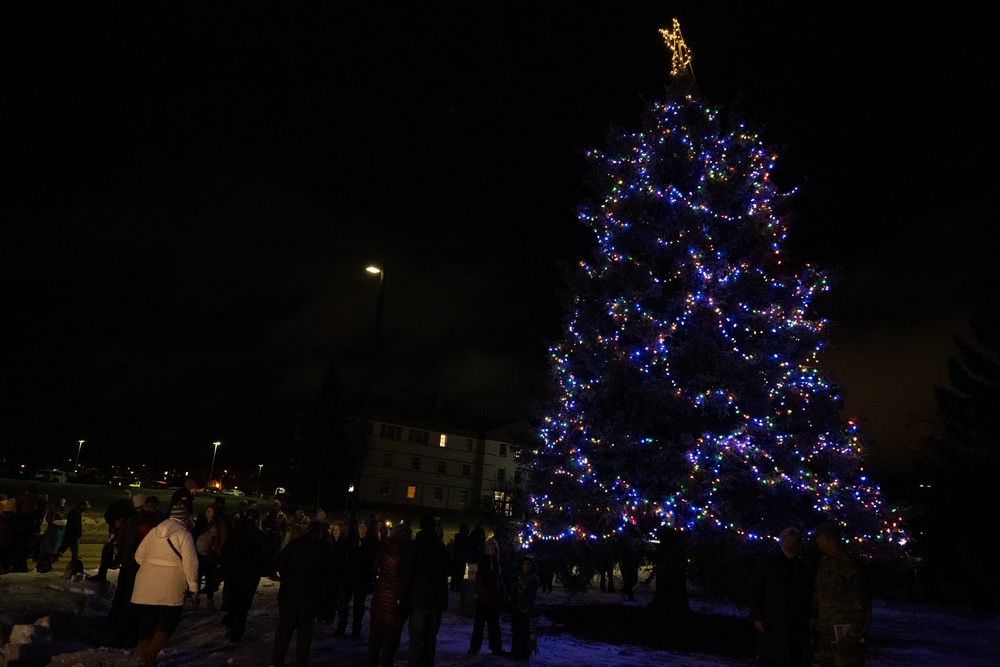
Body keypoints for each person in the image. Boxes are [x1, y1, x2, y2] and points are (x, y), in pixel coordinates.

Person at [131, 501, 199, 667]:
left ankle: (144, 659)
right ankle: (150, 657)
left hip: (145, 583)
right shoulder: (184, 535)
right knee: (170, 620)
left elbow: (138, 557)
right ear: (185, 518)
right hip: (171, 585)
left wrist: (152, 565)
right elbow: (191, 564)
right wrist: (194, 587)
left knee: (146, 621)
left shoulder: (154, 531)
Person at [749, 527, 814, 667]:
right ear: (781, 543)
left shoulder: (804, 569)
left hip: (795, 623)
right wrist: (757, 617)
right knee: (770, 659)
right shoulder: (766, 563)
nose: (791, 545)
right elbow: (755, 590)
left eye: (795, 542)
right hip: (771, 621)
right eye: (788, 542)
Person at [269, 520, 330, 667]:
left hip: (288, 594)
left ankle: (276, 662)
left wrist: (285, 578)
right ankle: (301, 662)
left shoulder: (294, 544)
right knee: (304, 633)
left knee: (284, 629)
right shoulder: (323, 549)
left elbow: (280, 562)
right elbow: (327, 575)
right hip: (309, 597)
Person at [812, 522, 872, 667]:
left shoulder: (851, 566)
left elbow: (862, 604)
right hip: (827, 630)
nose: (816, 541)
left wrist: (853, 635)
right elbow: (818, 593)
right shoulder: (824, 563)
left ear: (828, 539)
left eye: (818, 537)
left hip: (846, 633)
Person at [109, 495, 164, 648]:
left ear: (144, 506)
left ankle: (121, 632)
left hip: (129, 566)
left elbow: (121, 541)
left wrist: (123, 556)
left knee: (126, 600)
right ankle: (140, 635)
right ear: (157, 507)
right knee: (145, 604)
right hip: (148, 569)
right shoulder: (160, 524)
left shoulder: (132, 520)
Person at [400, 514, 451, 667]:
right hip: (436, 601)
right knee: (430, 639)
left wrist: (403, 596)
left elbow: (407, 573)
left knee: (416, 638)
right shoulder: (441, 547)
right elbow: (450, 569)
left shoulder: (415, 546)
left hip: (418, 600)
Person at [219, 508, 268, 642]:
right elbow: (265, 556)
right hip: (250, 575)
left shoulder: (236, 533)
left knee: (234, 599)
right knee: (243, 603)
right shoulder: (259, 535)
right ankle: (237, 631)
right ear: (257, 520)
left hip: (234, 573)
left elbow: (225, 552)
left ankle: (231, 623)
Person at [367, 522, 412, 667]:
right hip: (395, 602)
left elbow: (374, 570)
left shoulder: (385, 548)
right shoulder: (407, 551)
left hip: (380, 599)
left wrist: (379, 580)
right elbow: (407, 577)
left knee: (374, 639)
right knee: (390, 643)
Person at [340, 519, 378, 638]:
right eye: (360, 526)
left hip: (362, 578)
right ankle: (341, 626)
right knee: (344, 604)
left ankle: (356, 628)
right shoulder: (352, 540)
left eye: (364, 527)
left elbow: (372, 559)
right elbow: (344, 554)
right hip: (349, 577)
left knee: (358, 606)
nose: (362, 529)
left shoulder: (372, 542)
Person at [468, 536, 506, 656]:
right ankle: (476, 647)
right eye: (489, 548)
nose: (491, 551)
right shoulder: (486, 561)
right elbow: (485, 578)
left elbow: (497, 579)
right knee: (481, 624)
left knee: (492, 624)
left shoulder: (496, 561)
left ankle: (494, 647)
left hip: (492, 598)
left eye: (493, 549)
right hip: (485, 597)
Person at [194, 504, 228, 609]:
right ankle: (195, 600)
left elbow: (223, 538)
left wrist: (218, 551)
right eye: (207, 511)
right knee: (197, 577)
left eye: (211, 511)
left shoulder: (219, 524)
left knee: (209, 578)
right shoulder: (201, 522)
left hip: (211, 554)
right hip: (199, 553)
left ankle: (210, 601)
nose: (209, 513)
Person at [508, 552, 540, 660]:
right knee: (516, 630)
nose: (526, 566)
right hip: (516, 607)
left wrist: (523, 600)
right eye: (525, 564)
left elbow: (530, 595)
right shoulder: (518, 575)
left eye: (529, 564)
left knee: (523, 631)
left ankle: (523, 653)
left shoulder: (533, 578)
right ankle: (515, 651)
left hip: (525, 609)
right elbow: (513, 589)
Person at [58, 499, 91, 570]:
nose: (85, 509)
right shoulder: (76, 512)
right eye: (85, 507)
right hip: (73, 535)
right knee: (75, 553)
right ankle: (74, 567)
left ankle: (51, 561)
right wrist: (79, 533)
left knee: (64, 550)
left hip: (70, 535)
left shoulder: (75, 511)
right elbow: (76, 525)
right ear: (82, 506)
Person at [449, 523, 469, 592]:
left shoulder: (457, 536)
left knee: (455, 573)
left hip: (456, 558)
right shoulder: (466, 538)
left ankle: (452, 586)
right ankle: (458, 587)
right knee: (460, 574)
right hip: (462, 558)